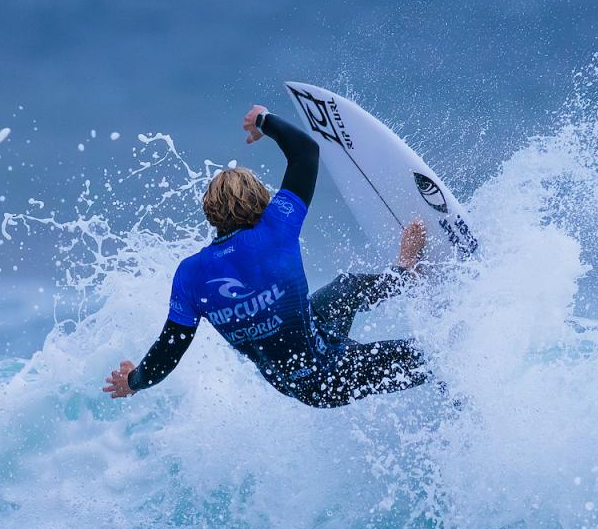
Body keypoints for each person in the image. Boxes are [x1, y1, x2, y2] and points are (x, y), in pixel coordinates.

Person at [103, 103, 432, 408]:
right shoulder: (276, 227)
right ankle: (457, 392)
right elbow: (305, 151)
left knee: (346, 288)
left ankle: (404, 274)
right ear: (261, 199)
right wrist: (263, 120)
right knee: (432, 358)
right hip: (329, 375)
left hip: (295, 378)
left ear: (210, 212)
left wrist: (133, 381)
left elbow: (168, 352)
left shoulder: (189, 274)